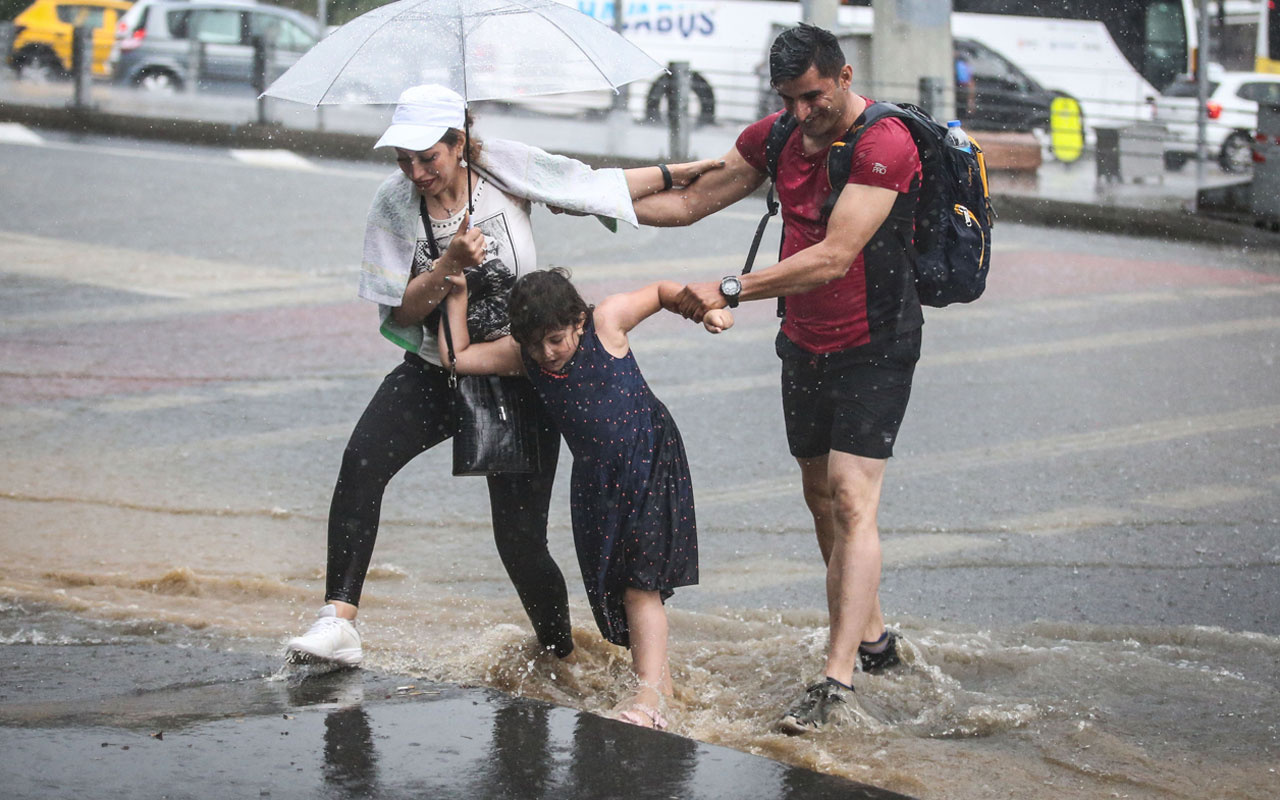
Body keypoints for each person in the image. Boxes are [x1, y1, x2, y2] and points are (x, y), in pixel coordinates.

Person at [284, 84, 721, 668]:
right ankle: (339, 620)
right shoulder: (392, 205)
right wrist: (447, 267)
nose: (416, 172)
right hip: (436, 368)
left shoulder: (503, 168)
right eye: (404, 160)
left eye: (428, 158)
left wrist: (673, 171)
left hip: (517, 376)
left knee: (518, 540)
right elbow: (401, 312)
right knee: (362, 462)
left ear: (458, 142)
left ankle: (558, 655)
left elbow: (586, 184)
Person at [627, 23, 923, 734]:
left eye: (813, 97)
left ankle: (837, 679)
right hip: (804, 340)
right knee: (821, 499)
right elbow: (692, 199)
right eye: (787, 99)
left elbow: (833, 255)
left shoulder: (885, 144)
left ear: (845, 77)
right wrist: (576, 197)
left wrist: (729, 288)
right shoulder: (780, 135)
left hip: (874, 341)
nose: (800, 113)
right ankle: (875, 640)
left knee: (854, 500)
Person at [439, 267, 733, 729]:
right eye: (535, 343)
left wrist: (704, 309)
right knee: (619, 591)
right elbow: (458, 358)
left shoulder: (606, 323)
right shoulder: (526, 355)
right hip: (597, 481)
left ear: (577, 320)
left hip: (647, 457)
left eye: (555, 339)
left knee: (640, 586)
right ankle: (663, 687)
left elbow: (659, 292)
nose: (546, 353)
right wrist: (455, 295)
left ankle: (650, 702)